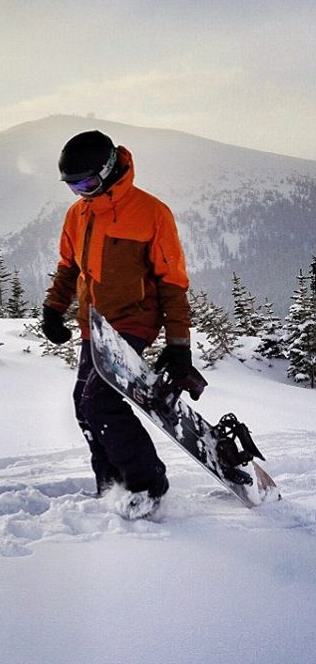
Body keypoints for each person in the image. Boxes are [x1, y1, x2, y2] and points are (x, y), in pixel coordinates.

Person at [41, 130, 194, 515]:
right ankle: (111, 485)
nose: (82, 192)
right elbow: (68, 267)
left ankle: (148, 484)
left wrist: (178, 346)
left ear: (109, 170)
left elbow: (173, 283)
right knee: (83, 404)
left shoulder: (151, 213)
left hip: (133, 320)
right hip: (94, 324)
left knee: (100, 400)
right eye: (73, 186)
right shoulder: (77, 214)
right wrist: (53, 309)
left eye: (88, 183)